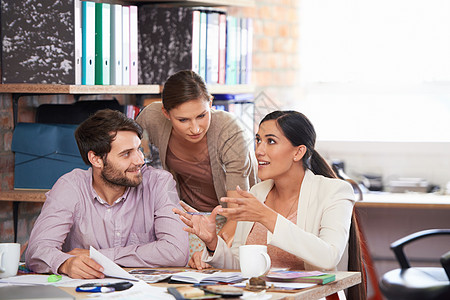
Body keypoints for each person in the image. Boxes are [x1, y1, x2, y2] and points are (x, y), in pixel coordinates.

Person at [174, 110, 366, 300]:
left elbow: (328, 257)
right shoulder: (257, 193)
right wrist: (213, 243)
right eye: (258, 140)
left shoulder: (334, 192)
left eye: (270, 141)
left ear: (298, 152)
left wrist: (266, 216)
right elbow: (241, 267)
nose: (259, 150)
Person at [25, 109, 189, 279]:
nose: (140, 160)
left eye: (138, 149)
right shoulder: (70, 187)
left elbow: (176, 251)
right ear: (96, 159)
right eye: (126, 154)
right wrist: (65, 263)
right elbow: (37, 249)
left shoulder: (158, 183)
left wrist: (99, 257)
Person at [136, 70, 258, 246]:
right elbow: (123, 150)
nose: (195, 129)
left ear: (210, 102)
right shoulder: (152, 117)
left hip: (236, 218)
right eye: (183, 120)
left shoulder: (230, 130)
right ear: (166, 113)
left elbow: (237, 214)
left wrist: (212, 250)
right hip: (189, 217)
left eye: (201, 116)